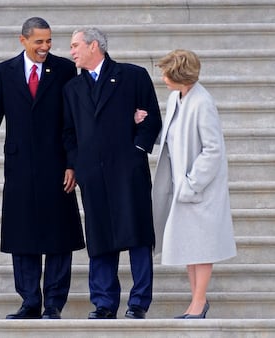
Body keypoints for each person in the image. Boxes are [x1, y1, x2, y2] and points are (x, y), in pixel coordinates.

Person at [0, 17, 85, 320]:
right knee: (23, 235)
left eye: (49, 41)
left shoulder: (63, 69)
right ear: (22, 40)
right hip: (20, 165)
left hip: (57, 164)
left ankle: (53, 305)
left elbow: (72, 119)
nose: (45, 47)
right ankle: (29, 302)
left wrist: (73, 163)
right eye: (39, 42)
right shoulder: (5, 71)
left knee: (59, 237)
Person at [63, 27, 162, 319]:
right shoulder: (72, 88)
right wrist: (78, 165)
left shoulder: (133, 76)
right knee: (100, 237)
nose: (71, 52)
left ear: (94, 46)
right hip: (92, 174)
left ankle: (139, 302)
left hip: (128, 170)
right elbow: (69, 133)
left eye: (75, 45)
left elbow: (151, 118)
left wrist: (137, 150)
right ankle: (104, 303)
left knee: (137, 235)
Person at [152, 49, 237, 319]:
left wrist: (192, 184)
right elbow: (172, 136)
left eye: (167, 73)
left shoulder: (203, 102)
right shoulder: (176, 97)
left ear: (180, 75)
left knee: (202, 247)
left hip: (199, 190)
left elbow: (213, 150)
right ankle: (195, 302)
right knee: (190, 246)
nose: (163, 77)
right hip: (182, 188)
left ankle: (199, 303)